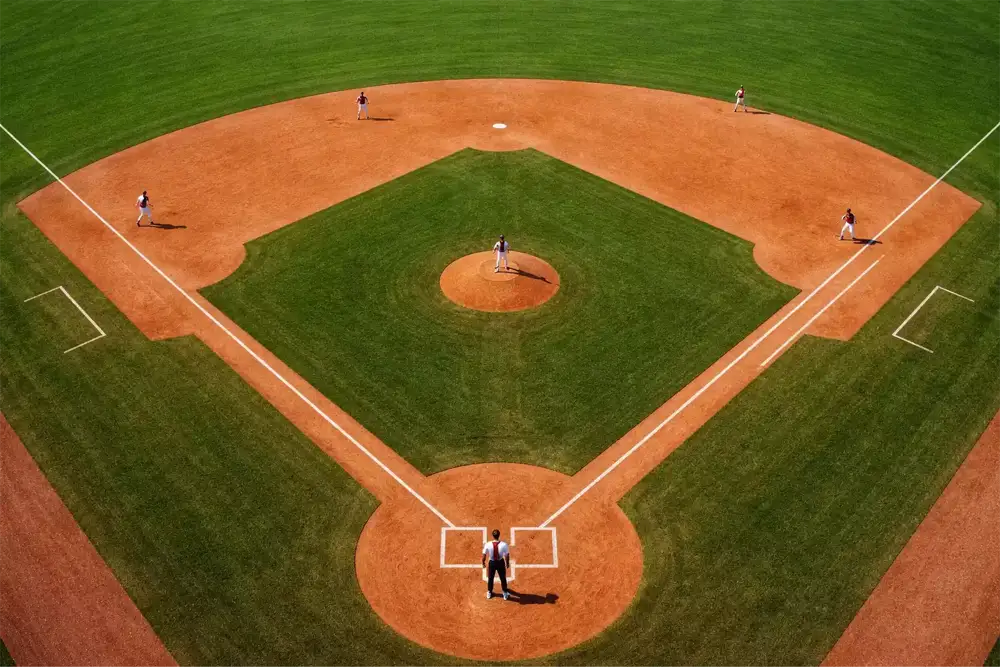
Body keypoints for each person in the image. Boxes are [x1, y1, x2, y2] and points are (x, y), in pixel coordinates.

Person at [482, 529, 511, 600]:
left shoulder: (488, 544)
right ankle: (504, 593)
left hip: (492, 563)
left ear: (493, 536)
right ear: (499, 535)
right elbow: (507, 556)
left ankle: (489, 592)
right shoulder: (504, 544)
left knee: (490, 578)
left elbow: (484, 555)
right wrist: (507, 563)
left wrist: (483, 563)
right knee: (503, 578)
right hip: (500, 562)